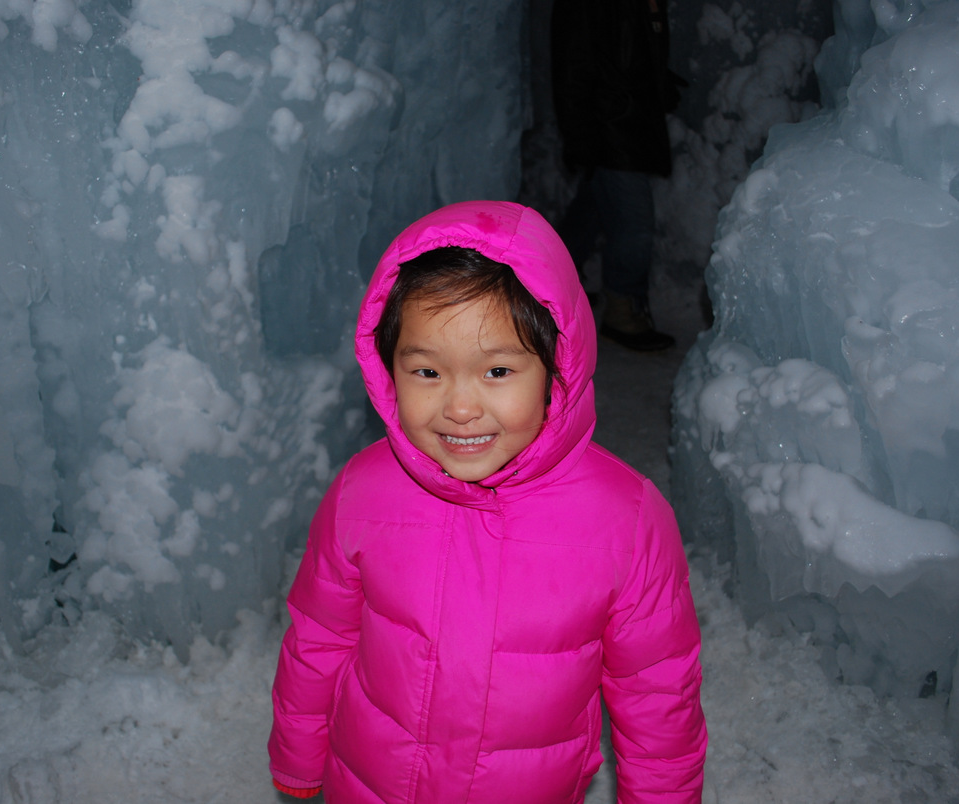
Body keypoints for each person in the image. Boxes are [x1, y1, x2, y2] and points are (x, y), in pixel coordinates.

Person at [268, 200, 706, 802]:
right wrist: (298, 756)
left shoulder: (626, 520)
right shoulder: (361, 491)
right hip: (372, 784)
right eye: (427, 372)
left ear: (558, 368)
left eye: (497, 371)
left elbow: (657, 692)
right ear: (386, 368)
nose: (460, 407)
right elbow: (319, 639)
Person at [551, 0, 682, 352]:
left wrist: (659, 85)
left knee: (594, 207)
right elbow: (573, 63)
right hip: (611, 129)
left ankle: (545, 285)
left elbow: (630, 56)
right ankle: (622, 312)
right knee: (634, 221)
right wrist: (580, 133)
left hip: (625, 123)